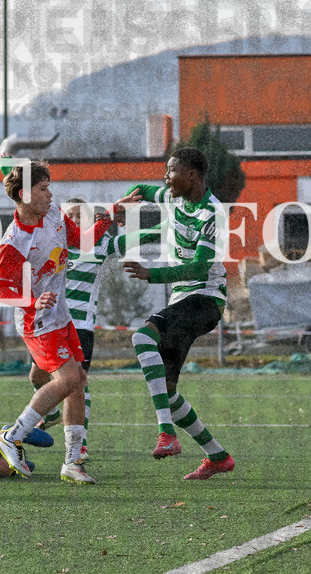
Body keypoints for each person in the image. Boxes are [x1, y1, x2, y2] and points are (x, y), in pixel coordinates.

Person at [0, 158, 138, 484]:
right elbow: (0, 289)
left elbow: (84, 242)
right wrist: (32, 300)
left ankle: (72, 462)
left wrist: (111, 214)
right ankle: (12, 436)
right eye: (43, 189)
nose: (50, 194)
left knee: (77, 380)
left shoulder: (54, 214)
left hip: (60, 317)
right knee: (68, 379)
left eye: (49, 187)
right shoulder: (15, 241)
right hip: (36, 322)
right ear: (24, 194)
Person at [121, 147, 235, 480]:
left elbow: (200, 269)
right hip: (182, 303)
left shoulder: (212, 213)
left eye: (172, 171)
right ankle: (218, 457)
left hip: (205, 300)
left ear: (192, 176)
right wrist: (123, 203)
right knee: (167, 390)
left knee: (143, 337)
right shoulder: (174, 198)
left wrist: (151, 274)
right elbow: (144, 191)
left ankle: (167, 435)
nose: (166, 177)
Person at [26, 198, 162, 465]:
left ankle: (81, 445)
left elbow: (133, 239)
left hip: (79, 327)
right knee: (36, 375)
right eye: (71, 216)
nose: (76, 220)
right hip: (48, 325)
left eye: (81, 216)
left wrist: (166, 227)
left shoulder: (99, 246)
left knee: (77, 384)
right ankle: (52, 413)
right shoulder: (51, 244)